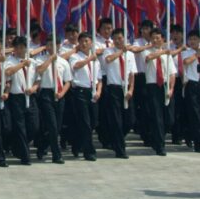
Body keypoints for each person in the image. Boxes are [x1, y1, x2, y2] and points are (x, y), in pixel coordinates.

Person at [143, 29, 180, 156]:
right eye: (153, 38)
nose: (155, 40)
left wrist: (171, 88)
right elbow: (149, 58)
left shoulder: (167, 55)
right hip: (153, 86)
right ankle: (160, 146)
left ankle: (157, 138)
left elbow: (172, 74)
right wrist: (163, 51)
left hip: (164, 86)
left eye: (158, 38)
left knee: (169, 118)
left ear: (163, 39)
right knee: (157, 116)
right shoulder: (147, 51)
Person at [34, 37, 70, 163]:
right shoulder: (40, 59)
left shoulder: (64, 62)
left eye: (54, 44)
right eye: (49, 44)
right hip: (46, 94)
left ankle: (42, 146)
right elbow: (39, 70)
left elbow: (67, 82)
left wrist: (62, 93)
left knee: (57, 127)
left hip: (59, 94)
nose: (52, 47)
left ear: (59, 45)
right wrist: (50, 59)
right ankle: (56, 154)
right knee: (52, 125)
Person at [100, 28, 135, 159]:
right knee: (116, 121)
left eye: (120, 38)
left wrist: (131, 89)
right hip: (113, 88)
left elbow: (132, 74)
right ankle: (120, 149)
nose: (118, 41)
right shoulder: (108, 51)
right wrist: (121, 52)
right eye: (115, 39)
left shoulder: (130, 55)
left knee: (130, 120)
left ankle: (116, 139)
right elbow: (108, 60)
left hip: (126, 89)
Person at [68, 32, 101, 161]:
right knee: (85, 123)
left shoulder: (95, 61)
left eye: (86, 41)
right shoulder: (75, 57)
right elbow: (76, 66)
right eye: (81, 41)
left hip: (92, 92)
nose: (84, 44)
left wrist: (98, 91)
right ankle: (89, 151)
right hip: (80, 92)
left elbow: (99, 79)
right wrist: (89, 59)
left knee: (93, 122)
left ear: (91, 43)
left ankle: (77, 144)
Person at [3, 36, 36, 165]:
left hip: (30, 96)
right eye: (17, 47)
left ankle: (17, 145)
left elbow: (37, 79)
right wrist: (22, 64)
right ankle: (25, 156)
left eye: (22, 47)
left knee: (34, 125)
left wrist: (33, 88)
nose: (20, 50)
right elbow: (8, 72)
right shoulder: (10, 61)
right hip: (17, 98)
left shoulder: (32, 62)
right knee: (20, 126)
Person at [181, 30, 200, 153]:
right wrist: (197, 54)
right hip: (192, 85)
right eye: (191, 39)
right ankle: (197, 142)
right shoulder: (187, 52)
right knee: (195, 115)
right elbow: (186, 62)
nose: (192, 41)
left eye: (195, 39)